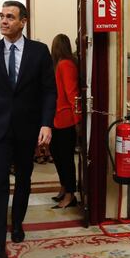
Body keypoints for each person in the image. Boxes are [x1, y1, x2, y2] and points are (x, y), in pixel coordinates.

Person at [0, 0, 56, 258]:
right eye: (2, 16)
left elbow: (48, 91)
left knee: (23, 180)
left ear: (23, 21)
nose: (4, 21)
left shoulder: (39, 51)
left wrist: (46, 124)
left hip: (27, 128)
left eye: (10, 17)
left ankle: (17, 222)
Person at [49, 34, 81, 209]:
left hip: (67, 119)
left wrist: (78, 121)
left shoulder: (65, 64)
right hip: (58, 119)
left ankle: (70, 194)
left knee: (66, 158)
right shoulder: (60, 64)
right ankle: (64, 188)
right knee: (58, 155)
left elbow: (72, 94)